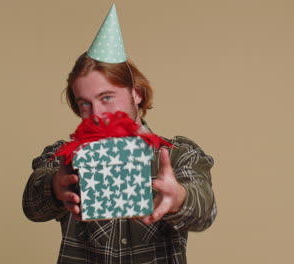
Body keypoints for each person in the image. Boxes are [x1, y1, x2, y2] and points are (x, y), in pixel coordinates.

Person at [22, 4, 217, 263]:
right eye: (85, 103)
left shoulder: (178, 153)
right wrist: (54, 187)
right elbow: (32, 206)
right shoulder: (65, 158)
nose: (98, 113)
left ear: (136, 93)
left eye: (107, 97)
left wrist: (178, 197)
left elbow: (205, 210)